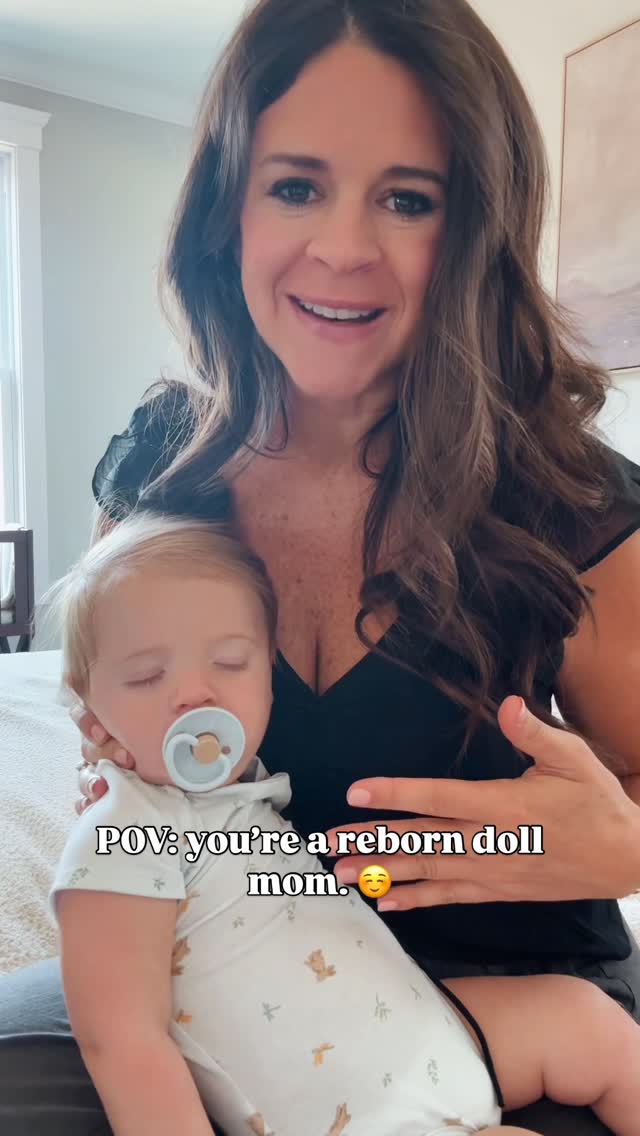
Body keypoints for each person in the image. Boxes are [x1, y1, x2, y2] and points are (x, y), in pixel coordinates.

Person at [1, 0, 639, 1133]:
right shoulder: (157, 470)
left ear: (475, 231)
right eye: (295, 186)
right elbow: (106, 700)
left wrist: (623, 847)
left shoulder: (571, 498)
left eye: (408, 198)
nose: (343, 249)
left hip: (513, 1002)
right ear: (226, 212)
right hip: (224, 976)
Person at [49, 511, 640, 1136]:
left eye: (230, 662)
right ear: (89, 709)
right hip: (359, 1111)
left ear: (270, 682)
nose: (195, 694)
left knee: (586, 1021)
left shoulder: (253, 794)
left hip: (433, 1023)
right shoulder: (124, 832)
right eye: (146, 676)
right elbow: (123, 1041)